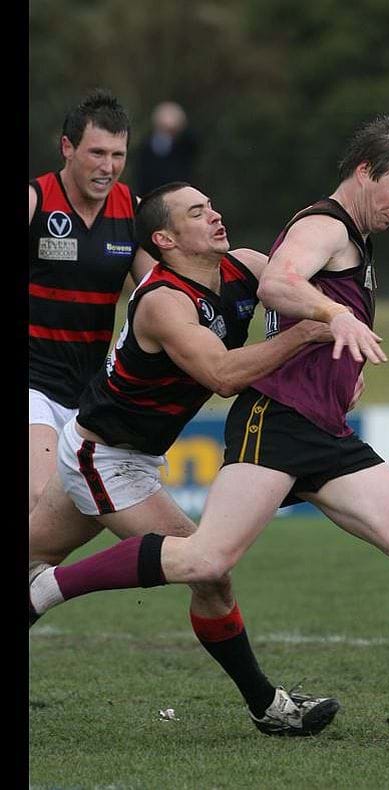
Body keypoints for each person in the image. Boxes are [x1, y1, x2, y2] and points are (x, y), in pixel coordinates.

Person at [30, 116, 389, 745]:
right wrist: (327, 319)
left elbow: (271, 282)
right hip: (167, 441)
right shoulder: (282, 245)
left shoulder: (246, 264)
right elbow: (265, 315)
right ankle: (49, 594)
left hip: (314, 429)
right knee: (207, 562)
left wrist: (342, 360)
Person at [29, 181, 342, 736]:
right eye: (197, 213)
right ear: (166, 240)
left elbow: (297, 288)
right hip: (105, 459)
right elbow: (222, 376)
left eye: (213, 205)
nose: (216, 216)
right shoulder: (163, 303)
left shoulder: (246, 267)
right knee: (210, 568)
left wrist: (337, 346)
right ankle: (268, 707)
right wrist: (313, 334)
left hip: (120, 453)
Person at [30, 89, 155, 515]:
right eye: (96, 152)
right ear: (67, 147)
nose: (108, 167)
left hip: (89, 394)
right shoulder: (36, 202)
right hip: (33, 384)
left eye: (118, 154)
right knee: (39, 495)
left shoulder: (132, 212)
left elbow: (159, 293)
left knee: (79, 519)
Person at [135, 101, 199, 194]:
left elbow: (193, 141)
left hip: (179, 192)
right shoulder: (147, 145)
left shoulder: (183, 144)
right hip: (152, 193)